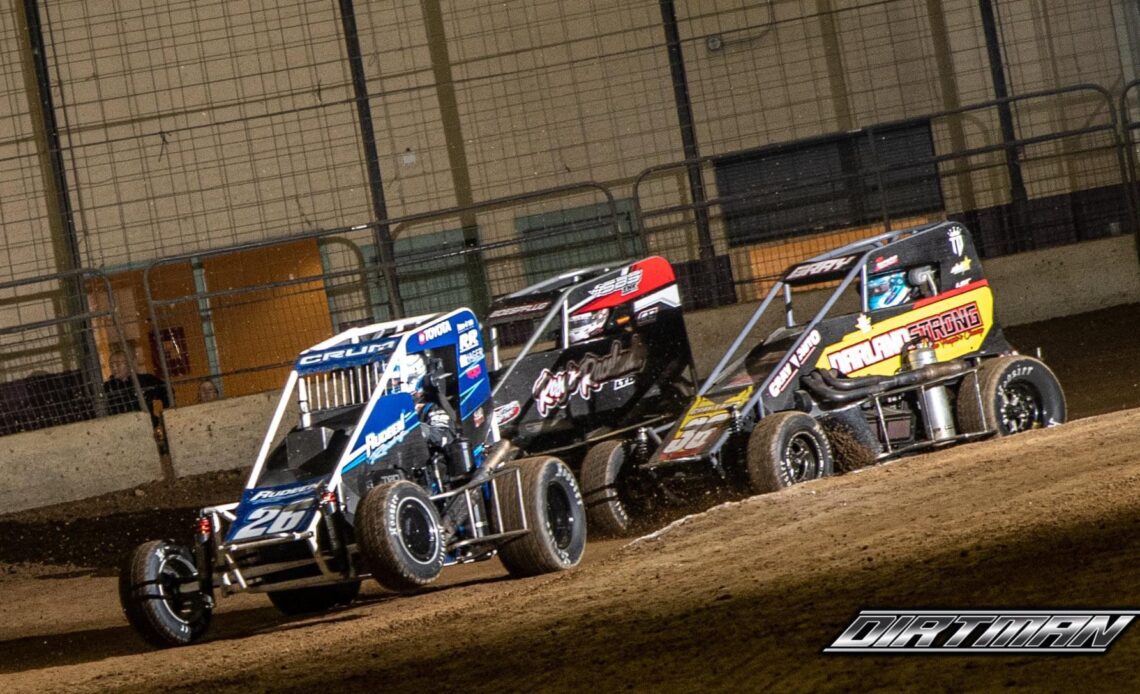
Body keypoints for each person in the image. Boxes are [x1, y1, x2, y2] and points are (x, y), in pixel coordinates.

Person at [394, 352, 453, 449]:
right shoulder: (387, 410)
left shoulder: (430, 408)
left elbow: (443, 436)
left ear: (412, 380)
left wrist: (412, 428)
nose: (392, 385)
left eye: (396, 380)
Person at [103, 349, 170, 425]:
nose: (114, 368)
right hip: (120, 425)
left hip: (145, 423)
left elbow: (167, 391)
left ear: (129, 364)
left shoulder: (145, 380)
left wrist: (165, 412)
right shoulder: (107, 387)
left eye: (118, 364)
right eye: (111, 365)